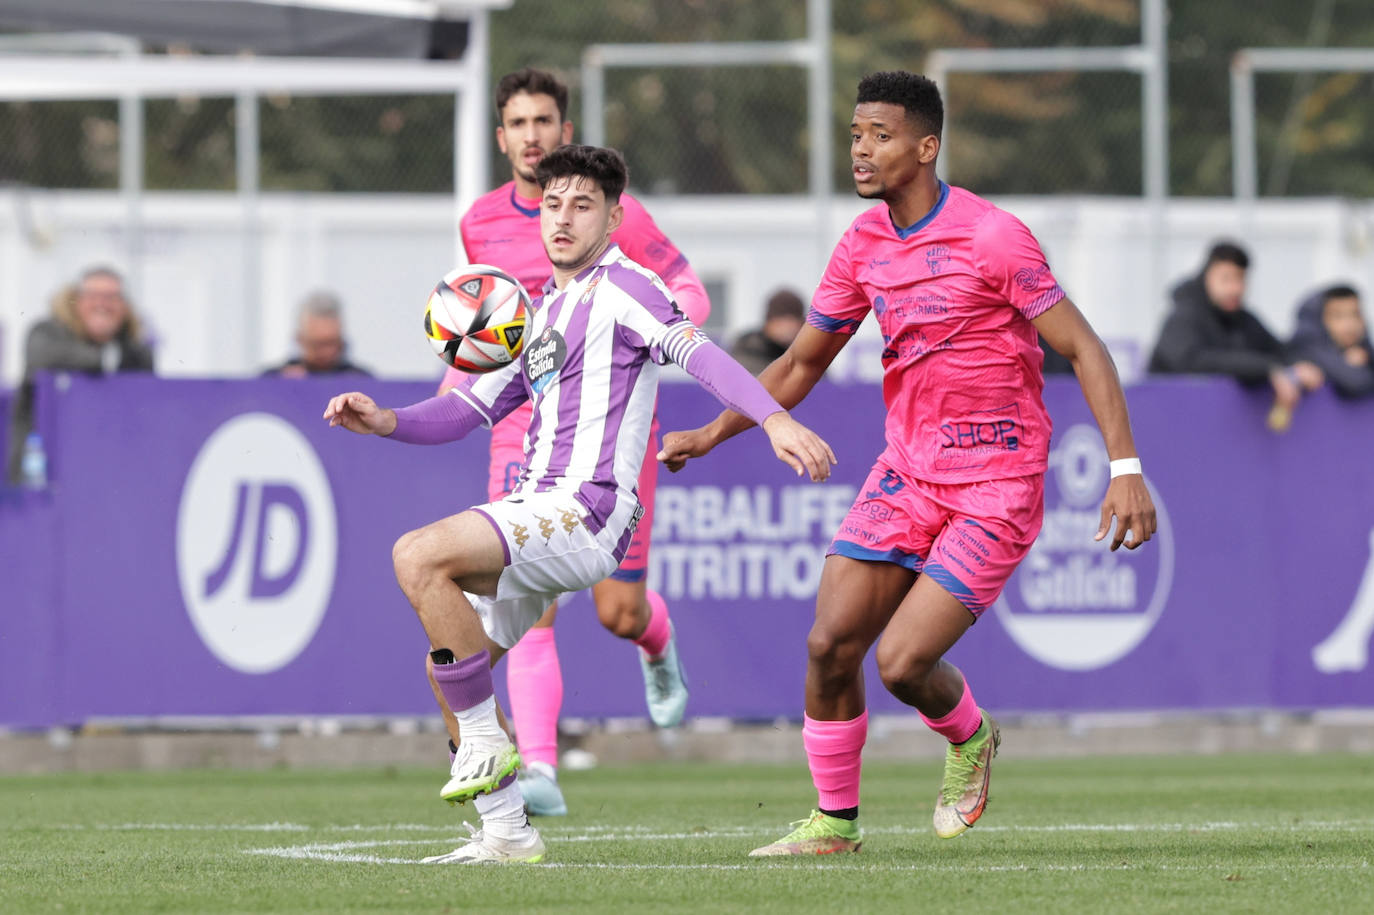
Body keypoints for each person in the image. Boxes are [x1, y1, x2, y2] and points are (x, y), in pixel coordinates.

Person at [659, 71, 1157, 857]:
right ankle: (832, 824)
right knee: (829, 644)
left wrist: (1125, 466)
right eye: (856, 133)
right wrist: (712, 432)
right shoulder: (862, 244)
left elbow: (1083, 347)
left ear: (926, 147)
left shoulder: (994, 237)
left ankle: (971, 736)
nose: (860, 149)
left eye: (879, 136)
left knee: (901, 661)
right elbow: (799, 363)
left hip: (999, 479)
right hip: (910, 472)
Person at [324, 144, 835, 864]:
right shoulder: (539, 313)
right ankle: (507, 830)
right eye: (553, 202)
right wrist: (383, 420)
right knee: (450, 663)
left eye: (583, 204)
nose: (563, 217)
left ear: (614, 217)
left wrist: (775, 418)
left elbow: (703, 355)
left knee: (417, 554)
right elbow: (466, 408)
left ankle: (481, 747)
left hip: (585, 510)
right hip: (541, 509)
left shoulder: (628, 287)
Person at [435, 67, 713, 818]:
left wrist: (667, 335)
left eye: (545, 121)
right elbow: (482, 318)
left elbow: (686, 286)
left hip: (610, 432)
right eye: (519, 123)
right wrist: (452, 384)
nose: (533, 135)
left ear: (564, 129)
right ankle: (542, 768)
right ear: (502, 138)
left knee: (617, 611)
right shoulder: (481, 222)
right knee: (525, 600)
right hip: (523, 429)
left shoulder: (615, 213)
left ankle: (656, 643)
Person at [1148, 241, 1324, 430]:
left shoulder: (1245, 320)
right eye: (1226, 279)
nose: (1235, 288)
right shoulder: (1182, 317)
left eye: (1240, 279)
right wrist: (1267, 368)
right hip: (1173, 426)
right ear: (1206, 277)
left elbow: (1281, 351)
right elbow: (1191, 361)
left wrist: (1297, 368)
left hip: (1223, 431)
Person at [6, 266, 154, 484]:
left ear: (124, 307)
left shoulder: (135, 351)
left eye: (112, 297)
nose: (102, 304)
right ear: (75, 300)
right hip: (43, 478)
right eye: (93, 296)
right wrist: (104, 360)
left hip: (106, 477)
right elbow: (44, 357)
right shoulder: (46, 334)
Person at [1287, 284, 1374, 399]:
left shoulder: (1362, 352)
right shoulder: (1304, 348)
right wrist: (1350, 365)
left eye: (1356, 314)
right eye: (1338, 316)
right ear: (1317, 320)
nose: (1350, 324)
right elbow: (1354, 382)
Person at [262, 291, 371, 377]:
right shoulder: (274, 380)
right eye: (318, 345)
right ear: (299, 340)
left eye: (333, 343)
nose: (328, 352)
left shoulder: (361, 380)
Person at [731, 288, 806, 375]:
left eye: (793, 321)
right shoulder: (747, 349)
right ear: (769, 321)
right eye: (782, 320)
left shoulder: (802, 353)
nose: (789, 328)